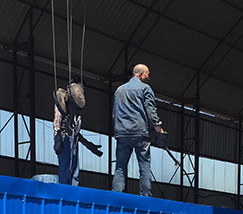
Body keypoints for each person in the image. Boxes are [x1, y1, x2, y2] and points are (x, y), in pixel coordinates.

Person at [112, 64, 164, 197]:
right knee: (144, 166)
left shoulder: (119, 90)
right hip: (140, 133)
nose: (149, 77)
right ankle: (145, 198)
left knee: (120, 167)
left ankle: (116, 197)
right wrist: (159, 130)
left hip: (122, 132)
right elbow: (151, 112)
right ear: (141, 74)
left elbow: (115, 113)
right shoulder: (145, 88)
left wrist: (118, 130)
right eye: (147, 74)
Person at [53, 77, 102, 185]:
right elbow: (57, 120)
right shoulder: (63, 99)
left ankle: (73, 191)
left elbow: (74, 129)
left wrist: (89, 145)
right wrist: (57, 138)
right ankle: (64, 191)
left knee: (75, 173)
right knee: (65, 170)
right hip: (64, 139)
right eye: (80, 88)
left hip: (73, 139)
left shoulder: (75, 106)